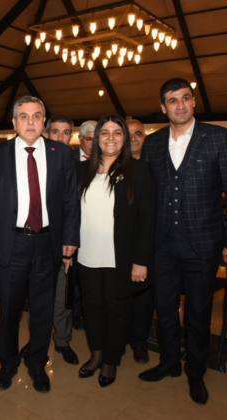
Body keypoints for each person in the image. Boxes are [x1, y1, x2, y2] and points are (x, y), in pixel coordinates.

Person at [138, 78, 227, 405]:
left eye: (186, 98)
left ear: (194, 101)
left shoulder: (219, 138)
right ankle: (169, 361)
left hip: (202, 244)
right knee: (165, 308)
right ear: (163, 107)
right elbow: (146, 196)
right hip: (162, 245)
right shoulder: (153, 143)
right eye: (173, 100)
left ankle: (195, 372)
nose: (180, 105)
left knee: (198, 312)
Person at [0, 96, 80, 393]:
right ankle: (7, 363)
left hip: (48, 243)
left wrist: (70, 238)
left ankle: (37, 363)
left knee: (43, 310)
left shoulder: (62, 154)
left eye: (37, 116)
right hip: (11, 242)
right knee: (9, 309)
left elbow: (70, 201)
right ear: (14, 122)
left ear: (44, 121)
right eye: (23, 116)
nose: (30, 122)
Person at [76, 115, 155, 387]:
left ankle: (111, 359)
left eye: (117, 133)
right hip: (86, 254)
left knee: (116, 309)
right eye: (105, 132)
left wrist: (141, 260)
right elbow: (71, 212)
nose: (111, 137)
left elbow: (148, 220)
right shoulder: (81, 170)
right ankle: (96, 353)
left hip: (119, 257)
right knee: (92, 308)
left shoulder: (139, 171)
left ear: (125, 139)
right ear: (97, 138)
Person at [124, 118, 153, 363]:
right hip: (119, 243)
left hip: (146, 241)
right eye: (128, 133)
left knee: (143, 297)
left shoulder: (153, 166)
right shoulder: (113, 165)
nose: (133, 138)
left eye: (138, 134)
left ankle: (139, 341)